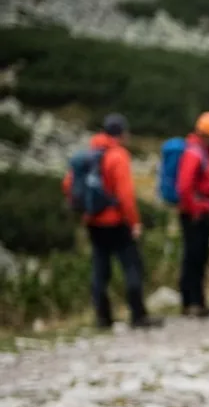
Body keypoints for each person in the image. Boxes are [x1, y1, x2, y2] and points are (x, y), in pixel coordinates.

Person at [61, 113, 163, 330]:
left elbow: (68, 184)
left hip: (93, 221)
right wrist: (134, 222)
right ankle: (138, 315)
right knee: (131, 266)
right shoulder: (118, 156)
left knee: (100, 268)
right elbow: (125, 194)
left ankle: (103, 318)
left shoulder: (88, 154)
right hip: (116, 221)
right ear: (123, 133)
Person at [176, 111, 209, 317]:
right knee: (194, 257)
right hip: (195, 215)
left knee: (197, 256)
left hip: (197, 212)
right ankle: (192, 302)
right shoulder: (195, 153)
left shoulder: (199, 152)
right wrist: (195, 209)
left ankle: (195, 301)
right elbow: (185, 186)